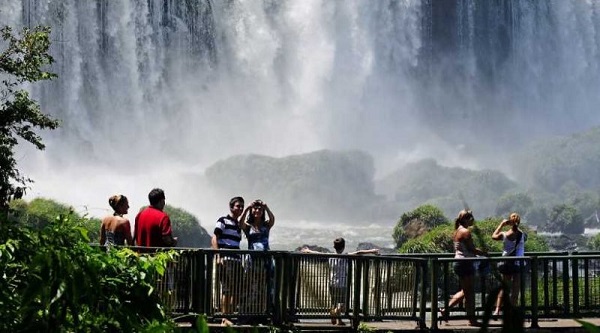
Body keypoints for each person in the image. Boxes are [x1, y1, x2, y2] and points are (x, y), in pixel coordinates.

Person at [302, 238, 379, 326]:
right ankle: (334, 312)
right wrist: (371, 251)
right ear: (344, 247)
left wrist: (308, 251)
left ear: (334, 247)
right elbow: (358, 253)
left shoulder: (330, 256)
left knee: (335, 303)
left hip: (332, 283)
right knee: (343, 305)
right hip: (342, 283)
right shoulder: (346, 256)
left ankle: (339, 321)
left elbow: (319, 253)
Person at [439, 209, 484, 327]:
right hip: (465, 263)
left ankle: (445, 310)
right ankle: (471, 320)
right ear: (466, 219)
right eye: (471, 218)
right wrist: (484, 253)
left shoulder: (457, 230)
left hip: (459, 262)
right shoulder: (465, 232)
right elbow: (472, 249)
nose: (473, 220)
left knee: (465, 291)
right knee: (469, 293)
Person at [239, 199, 275, 317]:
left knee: (264, 286)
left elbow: (273, 220)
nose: (258, 210)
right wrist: (248, 208)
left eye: (260, 209)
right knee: (251, 286)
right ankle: (250, 312)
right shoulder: (249, 226)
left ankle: (263, 312)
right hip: (252, 261)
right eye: (256, 208)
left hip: (265, 260)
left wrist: (266, 206)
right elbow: (240, 223)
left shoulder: (265, 225)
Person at [212, 196, 244, 325]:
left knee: (238, 289)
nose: (240, 208)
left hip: (236, 260)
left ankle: (229, 315)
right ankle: (225, 318)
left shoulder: (238, 225)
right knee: (227, 289)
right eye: (238, 206)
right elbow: (214, 238)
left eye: (242, 206)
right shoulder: (223, 220)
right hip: (225, 259)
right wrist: (218, 256)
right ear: (231, 207)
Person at [492, 212, 527, 316]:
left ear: (509, 222)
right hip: (518, 263)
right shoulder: (523, 235)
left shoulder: (504, 234)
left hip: (506, 262)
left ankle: (497, 310)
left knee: (504, 287)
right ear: (519, 222)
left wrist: (501, 225)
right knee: (515, 289)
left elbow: (493, 236)